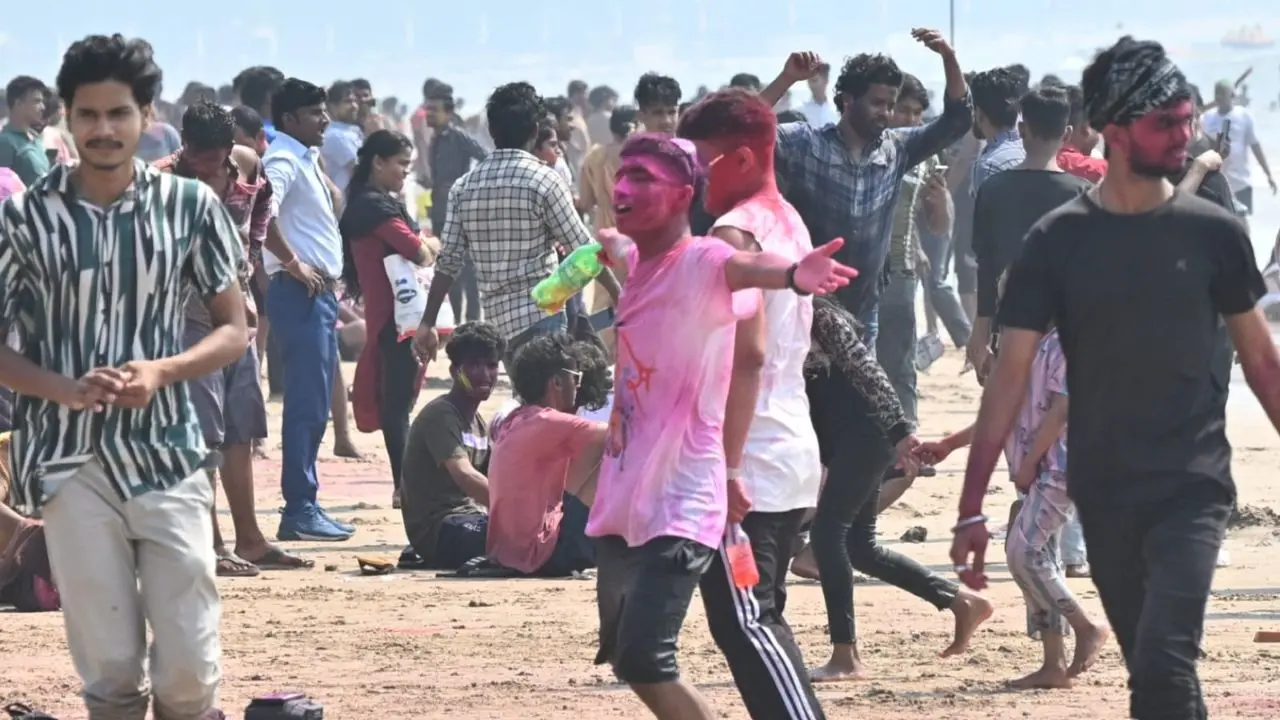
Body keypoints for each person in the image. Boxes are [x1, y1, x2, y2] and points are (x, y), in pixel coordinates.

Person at [949, 36, 1280, 719]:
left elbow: (1262, 360)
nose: (1186, 134)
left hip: (1192, 485)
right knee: (1148, 673)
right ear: (1115, 128)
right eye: (1168, 122)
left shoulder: (1213, 233)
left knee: (1164, 661)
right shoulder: (1057, 240)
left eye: (1188, 119)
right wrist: (971, 504)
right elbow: (1008, 380)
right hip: (1102, 491)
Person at [0, 34, 248, 718]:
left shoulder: (189, 209)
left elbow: (235, 327)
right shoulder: (24, 221)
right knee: (109, 667)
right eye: (87, 115)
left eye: (119, 113)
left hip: (168, 451)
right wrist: (65, 388)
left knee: (191, 668)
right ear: (67, 119)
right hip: (68, 462)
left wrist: (162, 371)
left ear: (145, 114)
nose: (103, 130)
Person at [587, 132, 854, 720]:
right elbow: (628, 253)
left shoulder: (704, 260)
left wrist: (793, 275)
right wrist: (607, 243)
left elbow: (746, 267)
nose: (625, 187)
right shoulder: (643, 264)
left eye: (644, 179)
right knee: (636, 650)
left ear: (684, 195)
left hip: (684, 497)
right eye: (623, 175)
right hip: (634, 493)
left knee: (647, 655)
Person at [677, 89, 827, 719]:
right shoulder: (788, 220)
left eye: (700, 162)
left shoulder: (733, 234)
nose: (690, 178)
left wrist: (729, 467)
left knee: (748, 621)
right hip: (787, 447)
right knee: (758, 613)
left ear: (739, 158)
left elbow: (748, 354)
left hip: (752, 460)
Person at [155, 101, 312, 576]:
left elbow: (260, 213)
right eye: (194, 158)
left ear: (227, 151)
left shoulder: (246, 163)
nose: (202, 171)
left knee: (240, 428)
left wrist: (254, 266)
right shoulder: (160, 183)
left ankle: (250, 539)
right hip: (183, 320)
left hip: (235, 316)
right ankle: (211, 544)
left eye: (210, 161)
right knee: (201, 433)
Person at [800, 295, 991, 681]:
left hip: (866, 436)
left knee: (827, 535)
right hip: (840, 442)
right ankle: (961, 602)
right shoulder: (768, 317)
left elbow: (870, 372)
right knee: (860, 548)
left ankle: (845, 657)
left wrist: (902, 434)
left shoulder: (818, 315)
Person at [920, 324, 1109, 689]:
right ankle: (1053, 664)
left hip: (1060, 469)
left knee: (1023, 556)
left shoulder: (1064, 345)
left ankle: (1087, 626)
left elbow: (1061, 410)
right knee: (1037, 563)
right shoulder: (1019, 347)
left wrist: (1029, 461)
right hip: (1035, 471)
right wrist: (948, 444)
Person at [757, 30, 972, 344]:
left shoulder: (898, 149)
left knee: (863, 393)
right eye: (876, 102)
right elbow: (741, 127)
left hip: (863, 315)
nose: (885, 112)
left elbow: (958, 120)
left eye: (890, 104)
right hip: (804, 309)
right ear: (847, 100)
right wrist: (787, 78)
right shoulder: (805, 144)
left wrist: (949, 59)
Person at [411, 82, 620, 371]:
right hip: (542, 313)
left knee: (525, 399)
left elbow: (449, 263)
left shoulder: (465, 187)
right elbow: (584, 250)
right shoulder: (545, 180)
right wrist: (619, 296)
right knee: (547, 402)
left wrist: (427, 323)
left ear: (492, 131)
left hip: (498, 323)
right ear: (535, 131)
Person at [263, 77, 355, 542]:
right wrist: (293, 262)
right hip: (299, 292)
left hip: (316, 293)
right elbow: (263, 207)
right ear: (289, 119)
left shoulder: (303, 157)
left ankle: (306, 503)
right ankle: (299, 506)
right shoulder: (282, 157)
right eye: (316, 112)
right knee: (306, 404)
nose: (325, 119)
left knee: (314, 401)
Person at [966, 86, 1090, 383]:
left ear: (1022, 129)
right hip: (1064, 338)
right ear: (1068, 133)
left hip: (1009, 332)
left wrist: (980, 331)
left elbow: (985, 265)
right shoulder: (1083, 195)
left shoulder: (993, 190)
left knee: (1010, 419)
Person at [340, 130, 434, 508]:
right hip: (397, 317)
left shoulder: (367, 204)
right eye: (400, 165)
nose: (404, 174)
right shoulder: (374, 208)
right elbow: (419, 251)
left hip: (390, 314)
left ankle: (405, 483)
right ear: (378, 162)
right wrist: (430, 243)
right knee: (397, 404)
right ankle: (405, 485)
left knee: (397, 401)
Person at [485, 333, 608, 576]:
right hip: (541, 554)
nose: (579, 385)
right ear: (557, 383)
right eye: (576, 378)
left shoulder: (516, 419)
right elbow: (624, 436)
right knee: (613, 454)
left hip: (508, 550)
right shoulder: (549, 421)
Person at [878, 73, 956, 426]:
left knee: (900, 366)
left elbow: (939, 226)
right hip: (857, 274)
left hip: (900, 274)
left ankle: (904, 445)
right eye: (903, 111)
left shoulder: (925, 157)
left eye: (917, 114)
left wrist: (940, 202)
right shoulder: (866, 149)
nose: (911, 120)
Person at [400, 323, 503, 570]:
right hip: (440, 528)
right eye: (474, 365)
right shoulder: (441, 415)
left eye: (491, 365)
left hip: (472, 519)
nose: (485, 374)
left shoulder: (479, 423)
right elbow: (465, 475)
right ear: (455, 370)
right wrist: (518, 512)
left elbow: (496, 479)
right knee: (517, 537)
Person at [421, 83, 487, 325]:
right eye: (427, 109)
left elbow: (485, 158)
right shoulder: (435, 139)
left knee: (467, 268)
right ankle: (455, 319)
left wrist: (470, 186)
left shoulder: (458, 136)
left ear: (448, 112)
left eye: (434, 110)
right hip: (439, 208)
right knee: (447, 267)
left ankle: (471, 319)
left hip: (460, 209)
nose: (429, 114)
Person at [1200, 78, 1276, 217]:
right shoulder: (1207, 118)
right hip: (1216, 184)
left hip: (1241, 183)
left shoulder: (1244, 116)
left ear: (1232, 96)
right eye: (1217, 93)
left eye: (1223, 93)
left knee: (1242, 225)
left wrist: (1268, 175)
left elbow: (1255, 146)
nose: (1219, 97)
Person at [0, 76, 50, 185]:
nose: (43, 107)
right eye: (37, 101)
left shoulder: (35, 139)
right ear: (18, 103)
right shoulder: (5, 142)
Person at [321, 80, 363, 194]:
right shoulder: (336, 136)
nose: (354, 106)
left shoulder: (351, 131)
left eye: (355, 101)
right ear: (332, 107)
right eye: (347, 101)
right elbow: (360, 173)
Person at [797, 62, 838, 127]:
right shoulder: (800, 111)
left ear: (826, 80)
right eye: (809, 81)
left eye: (814, 80)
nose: (811, 85)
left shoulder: (837, 109)